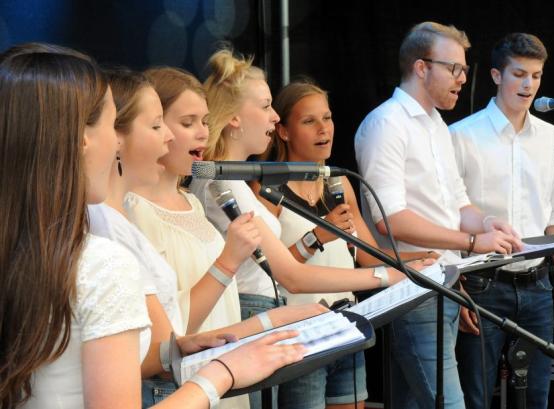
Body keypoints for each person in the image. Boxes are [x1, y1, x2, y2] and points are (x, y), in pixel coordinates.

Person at [0, 42, 304, 409]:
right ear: (83, 139)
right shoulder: (100, 261)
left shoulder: (39, 247)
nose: (117, 144)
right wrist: (221, 374)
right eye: (113, 127)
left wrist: (170, 351)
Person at [193, 50, 432, 408]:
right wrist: (387, 277)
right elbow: (291, 275)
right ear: (234, 119)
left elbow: (366, 254)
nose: (273, 117)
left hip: (285, 313)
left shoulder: (238, 180)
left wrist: (417, 263)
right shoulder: (223, 183)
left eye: (328, 118)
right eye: (266, 106)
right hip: (256, 313)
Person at [95, 68, 326, 406]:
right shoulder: (128, 215)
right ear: (116, 136)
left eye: (204, 121)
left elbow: (183, 337)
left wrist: (272, 320)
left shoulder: (189, 200)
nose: (171, 139)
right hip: (183, 384)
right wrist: (229, 261)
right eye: (176, 124)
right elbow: (168, 340)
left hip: (214, 372)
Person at [354, 21, 522, 408]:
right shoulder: (386, 124)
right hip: (412, 287)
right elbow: (389, 219)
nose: (462, 79)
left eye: (464, 69)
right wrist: (470, 241)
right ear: (421, 67)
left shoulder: (436, 126)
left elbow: (457, 205)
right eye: (454, 68)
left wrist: (485, 224)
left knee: (414, 401)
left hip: (441, 282)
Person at [449, 32, 554, 409]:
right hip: (481, 283)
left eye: (536, 76)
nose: (528, 85)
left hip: (538, 284)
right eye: (519, 74)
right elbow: (450, 216)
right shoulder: (461, 136)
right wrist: (454, 285)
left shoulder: (552, 137)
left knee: (537, 395)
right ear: (495, 75)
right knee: (476, 396)